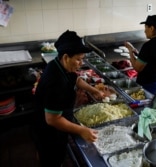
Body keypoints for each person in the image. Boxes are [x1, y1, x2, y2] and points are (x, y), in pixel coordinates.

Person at [32, 30, 105, 167]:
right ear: (66, 57)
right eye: (78, 59)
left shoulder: (59, 65)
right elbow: (53, 119)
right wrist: (81, 130)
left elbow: (75, 79)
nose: (81, 63)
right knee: (51, 160)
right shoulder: (55, 81)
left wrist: (94, 90)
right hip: (48, 132)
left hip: (53, 124)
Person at [124, 15, 156, 95]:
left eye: (146, 27)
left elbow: (137, 68)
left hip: (148, 85)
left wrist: (130, 50)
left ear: (152, 28)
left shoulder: (149, 45)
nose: (144, 31)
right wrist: (138, 54)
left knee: (147, 106)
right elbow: (153, 59)